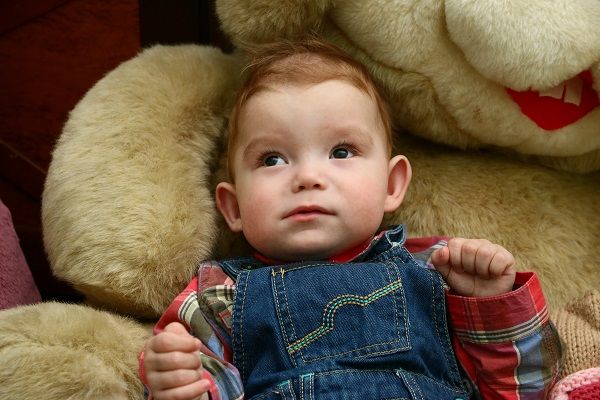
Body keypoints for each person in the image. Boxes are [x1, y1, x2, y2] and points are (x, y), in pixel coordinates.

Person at [139, 38, 562, 400]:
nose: (308, 177)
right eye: (272, 159)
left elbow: (525, 389)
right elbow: (202, 377)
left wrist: (491, 303)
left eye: (341, 151)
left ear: (391, 184)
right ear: (233, 207)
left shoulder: (440, 270)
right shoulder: (220, 295)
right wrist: (180, 378)